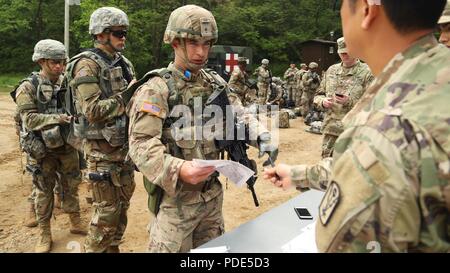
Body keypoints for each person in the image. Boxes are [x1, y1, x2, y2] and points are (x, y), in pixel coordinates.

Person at [264, 0, 450, 253]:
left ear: (366, 9)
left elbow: (376, 162)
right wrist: (300, 174)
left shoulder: (388, 130)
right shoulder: (436, 75)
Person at [126, 4, 277, 253]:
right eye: (193, 43)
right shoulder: (156, 89)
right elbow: (140, 144)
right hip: (176, 204)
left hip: (212, 197)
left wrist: (262, 136)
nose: (201, 52)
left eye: (206, 44)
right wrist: (179, 168)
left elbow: (239, 115)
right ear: (175, 43)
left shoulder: (215, 83)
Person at [66, 7, 136, 253]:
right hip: (100, 154)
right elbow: (92, 111)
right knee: (105, 217)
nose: (123, 38)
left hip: (123, 151)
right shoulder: (86, 65)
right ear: (101, 34)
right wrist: (126, 98)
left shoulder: (123, 63)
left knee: (121, 212)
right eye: (118, 33)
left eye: (124, 33)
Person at [15, 39, 86, 253]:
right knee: (44, 190)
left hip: (67, 144)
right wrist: (58, 118)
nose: (59, 66)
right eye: (54, 62)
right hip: (41, 148)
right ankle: (44, 233)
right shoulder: (28, 87)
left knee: (71, 184)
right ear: (41, 61)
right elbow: (29, 120)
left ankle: (75, 220)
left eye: (62, 62)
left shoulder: (68, 84)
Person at [313, 37, 373, 158]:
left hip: (354, 131)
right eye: (341, 52)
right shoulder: (331, 70)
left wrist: (350, 101)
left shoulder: (367, 72)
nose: (344, 55)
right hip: (331, 129)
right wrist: (322, 101)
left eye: (347, 52)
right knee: (327, 166)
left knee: (350, 169)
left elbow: (373, 103)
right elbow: (318, 94)